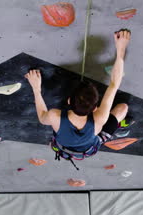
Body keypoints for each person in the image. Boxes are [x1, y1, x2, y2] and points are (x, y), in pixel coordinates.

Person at [25, 29, 131, 168]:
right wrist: (121, 49)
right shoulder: (100, 118)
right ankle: (118, 125)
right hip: (89, 147)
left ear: (68, 101)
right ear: (95, 108)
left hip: (66, 146)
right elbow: (114, 84)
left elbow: (42, 117)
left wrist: (36, 88)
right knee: (123, 108)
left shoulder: (55, 116)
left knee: (122, 109)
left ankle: (61, 147)